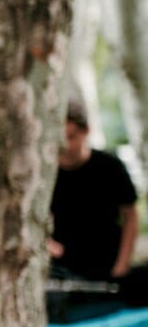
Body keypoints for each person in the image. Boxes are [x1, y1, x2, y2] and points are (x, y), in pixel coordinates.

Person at [49, 98, 138, 282]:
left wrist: (122, 266)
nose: (67, 145)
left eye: (71, 136)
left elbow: (130, 216)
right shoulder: (44, 175)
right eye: (61, 138)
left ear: (86, 131)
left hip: (108, 265)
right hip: (62, 270)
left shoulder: (110, 166)